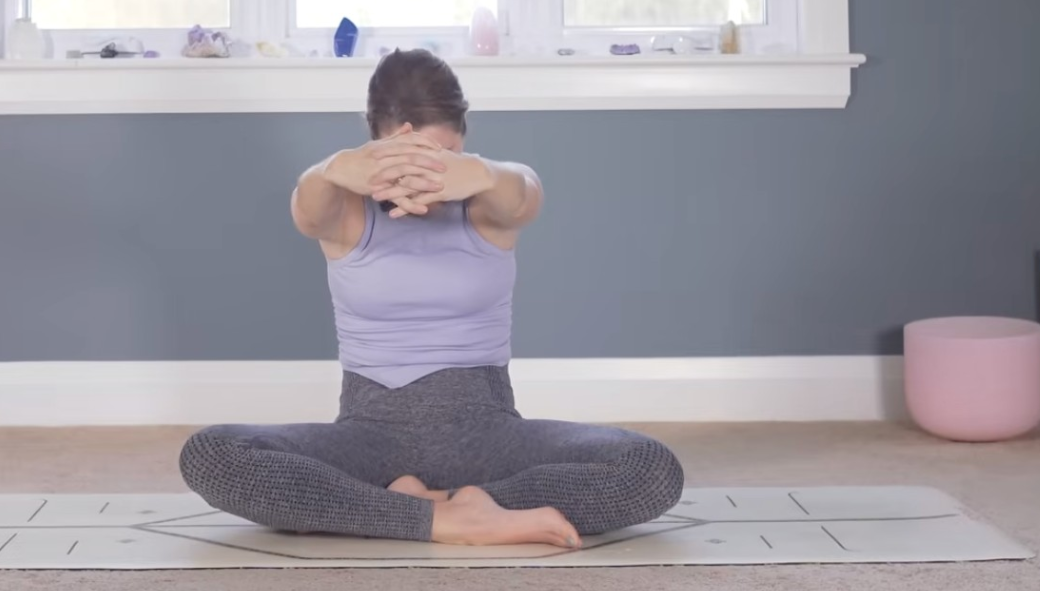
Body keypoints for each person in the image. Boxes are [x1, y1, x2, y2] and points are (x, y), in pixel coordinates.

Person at [179, 49, 683, 547]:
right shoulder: (342, 209)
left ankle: (419, 505)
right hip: (367, 437)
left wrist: (479, 173)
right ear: (372, 147)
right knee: (210, 454)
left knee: (650, 469)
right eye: (404, 157)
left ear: (462, 143)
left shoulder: (489, 203)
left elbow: (524, 192)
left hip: (488, 435)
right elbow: (306, 209)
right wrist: (333, 168)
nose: (422, 176)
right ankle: (447, 519)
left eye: (440, 157)